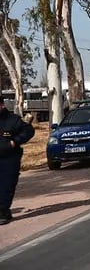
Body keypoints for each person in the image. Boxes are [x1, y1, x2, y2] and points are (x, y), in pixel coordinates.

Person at [0, 96, 35, 225]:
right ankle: (5, 210)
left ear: (2, 105)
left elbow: (29, 130)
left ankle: (2, 212)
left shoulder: (12, 120)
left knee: (6, 186)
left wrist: (15, 141)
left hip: (9, 159)